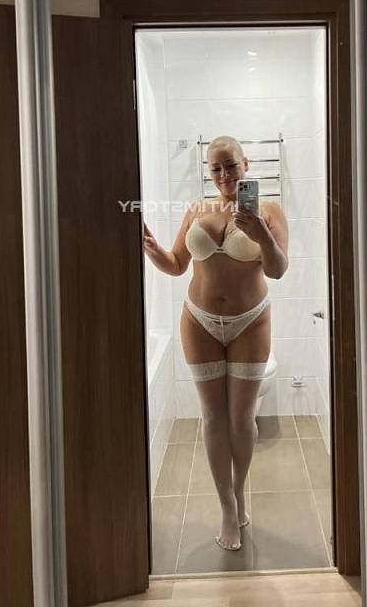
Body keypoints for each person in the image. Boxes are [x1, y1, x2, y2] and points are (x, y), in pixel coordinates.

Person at [143, 135, 288, 551]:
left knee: (241, 418)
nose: (224, 174)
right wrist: (151, 249)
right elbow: (176, 265)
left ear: (246, 164)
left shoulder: (269, 210)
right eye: (216, 168)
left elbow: (277, 269)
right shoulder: (197, 210)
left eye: (231, 165)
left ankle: (239, 491)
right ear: (208, 172)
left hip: (250, 321)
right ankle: (226, 506)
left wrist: (262, 235)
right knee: (212, 416)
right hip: (199, 320)